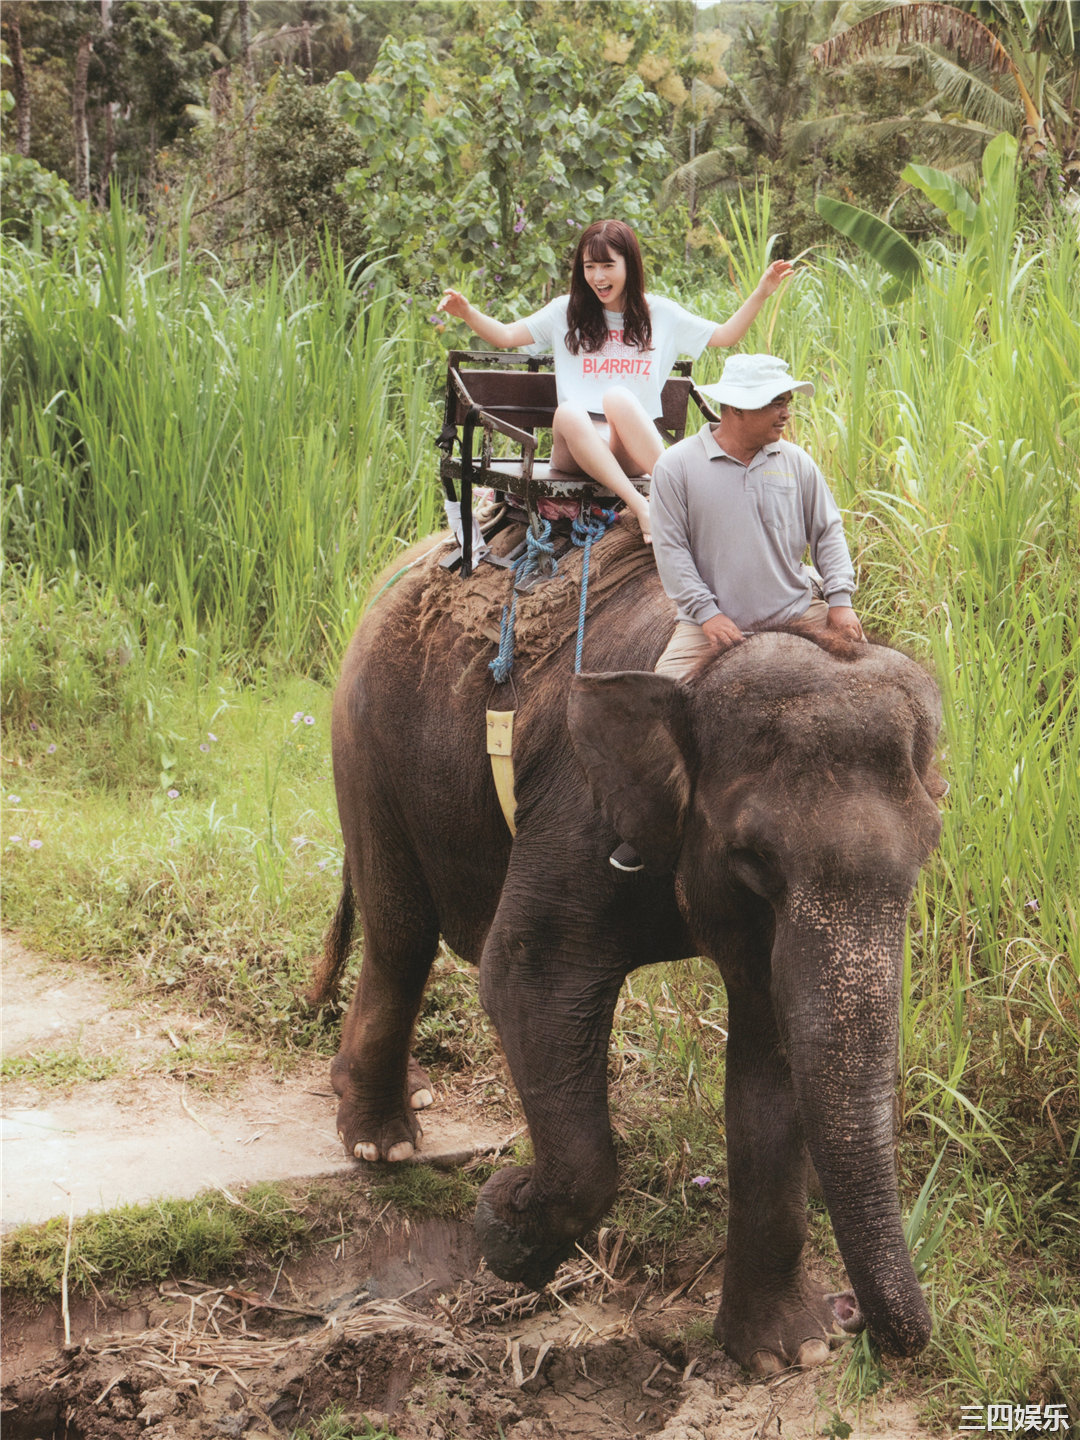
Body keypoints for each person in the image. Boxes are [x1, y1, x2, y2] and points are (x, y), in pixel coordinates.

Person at [610, 352, 864, 872]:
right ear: (736, 408)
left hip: (798, 613)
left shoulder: (796, 463)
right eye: (775, 401)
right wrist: (707, 614)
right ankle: (650, 827)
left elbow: (828, 532)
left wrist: (839, 602)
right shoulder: (678, 467)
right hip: (709, 624)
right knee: (656, 718)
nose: (786, 411)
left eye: (787, 400)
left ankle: (890, 799)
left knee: (872, 688)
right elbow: (672, 551)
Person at [437, 219, 793, 542]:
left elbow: (726, 335)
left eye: (608, 265)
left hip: (629, 446)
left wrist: (762, 291)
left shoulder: (661, 314)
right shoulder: (566, 311)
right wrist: (467, 312)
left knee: (619, 397)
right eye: (589, 266)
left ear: (629, 265)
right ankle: (642, 508)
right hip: (576, 448)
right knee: (570, 412)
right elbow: (505, 335)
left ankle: (687, 497)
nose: (598, 277)